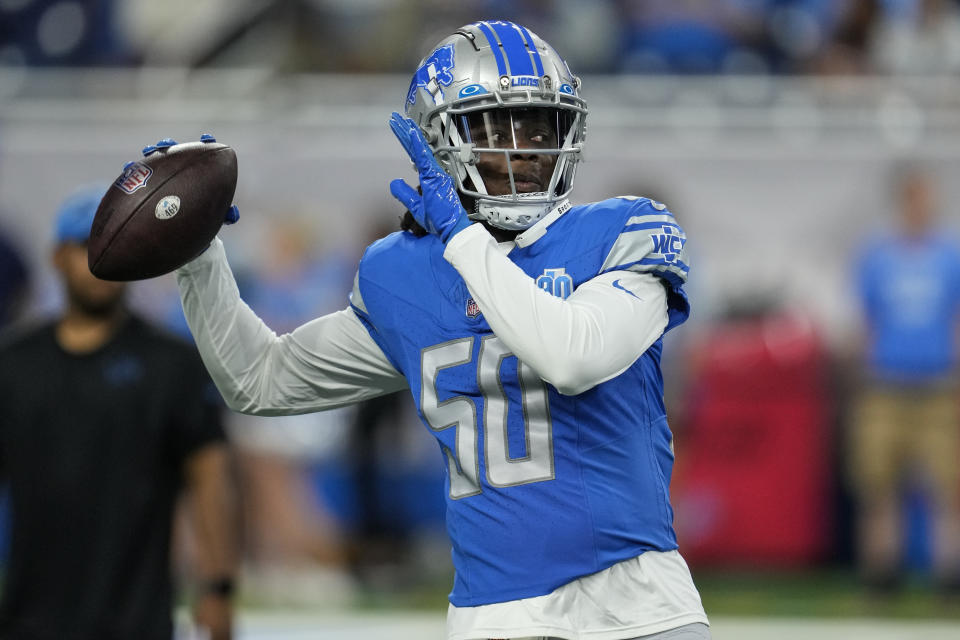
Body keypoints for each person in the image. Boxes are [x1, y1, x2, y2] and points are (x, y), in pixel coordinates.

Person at [175, 20, 708, 640]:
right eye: (494, 128)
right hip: (494, 615)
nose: (525, 149)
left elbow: (573, 355)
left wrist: (461, 237)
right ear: (437, 141)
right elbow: (258, 380)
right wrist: (197, 253)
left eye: (540, 125)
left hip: (639, 602)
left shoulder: (624, 231)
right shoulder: (404, 272)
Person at [0, 186, 238, 640]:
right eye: (87, 246)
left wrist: (218, 586)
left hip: (137, 620)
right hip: (29, 618)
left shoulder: (171, 365)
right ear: (57, 258)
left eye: (118, 244)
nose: (102, 259)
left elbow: (210, 475)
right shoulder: (13, 366)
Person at [849, 164, 960, 595]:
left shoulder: (949, 256)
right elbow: (866, 321)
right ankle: (881, 574)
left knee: (946, 483)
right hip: (886, 383)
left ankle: (948, 574)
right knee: (878, 481)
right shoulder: (877, 257)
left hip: (936, 384)